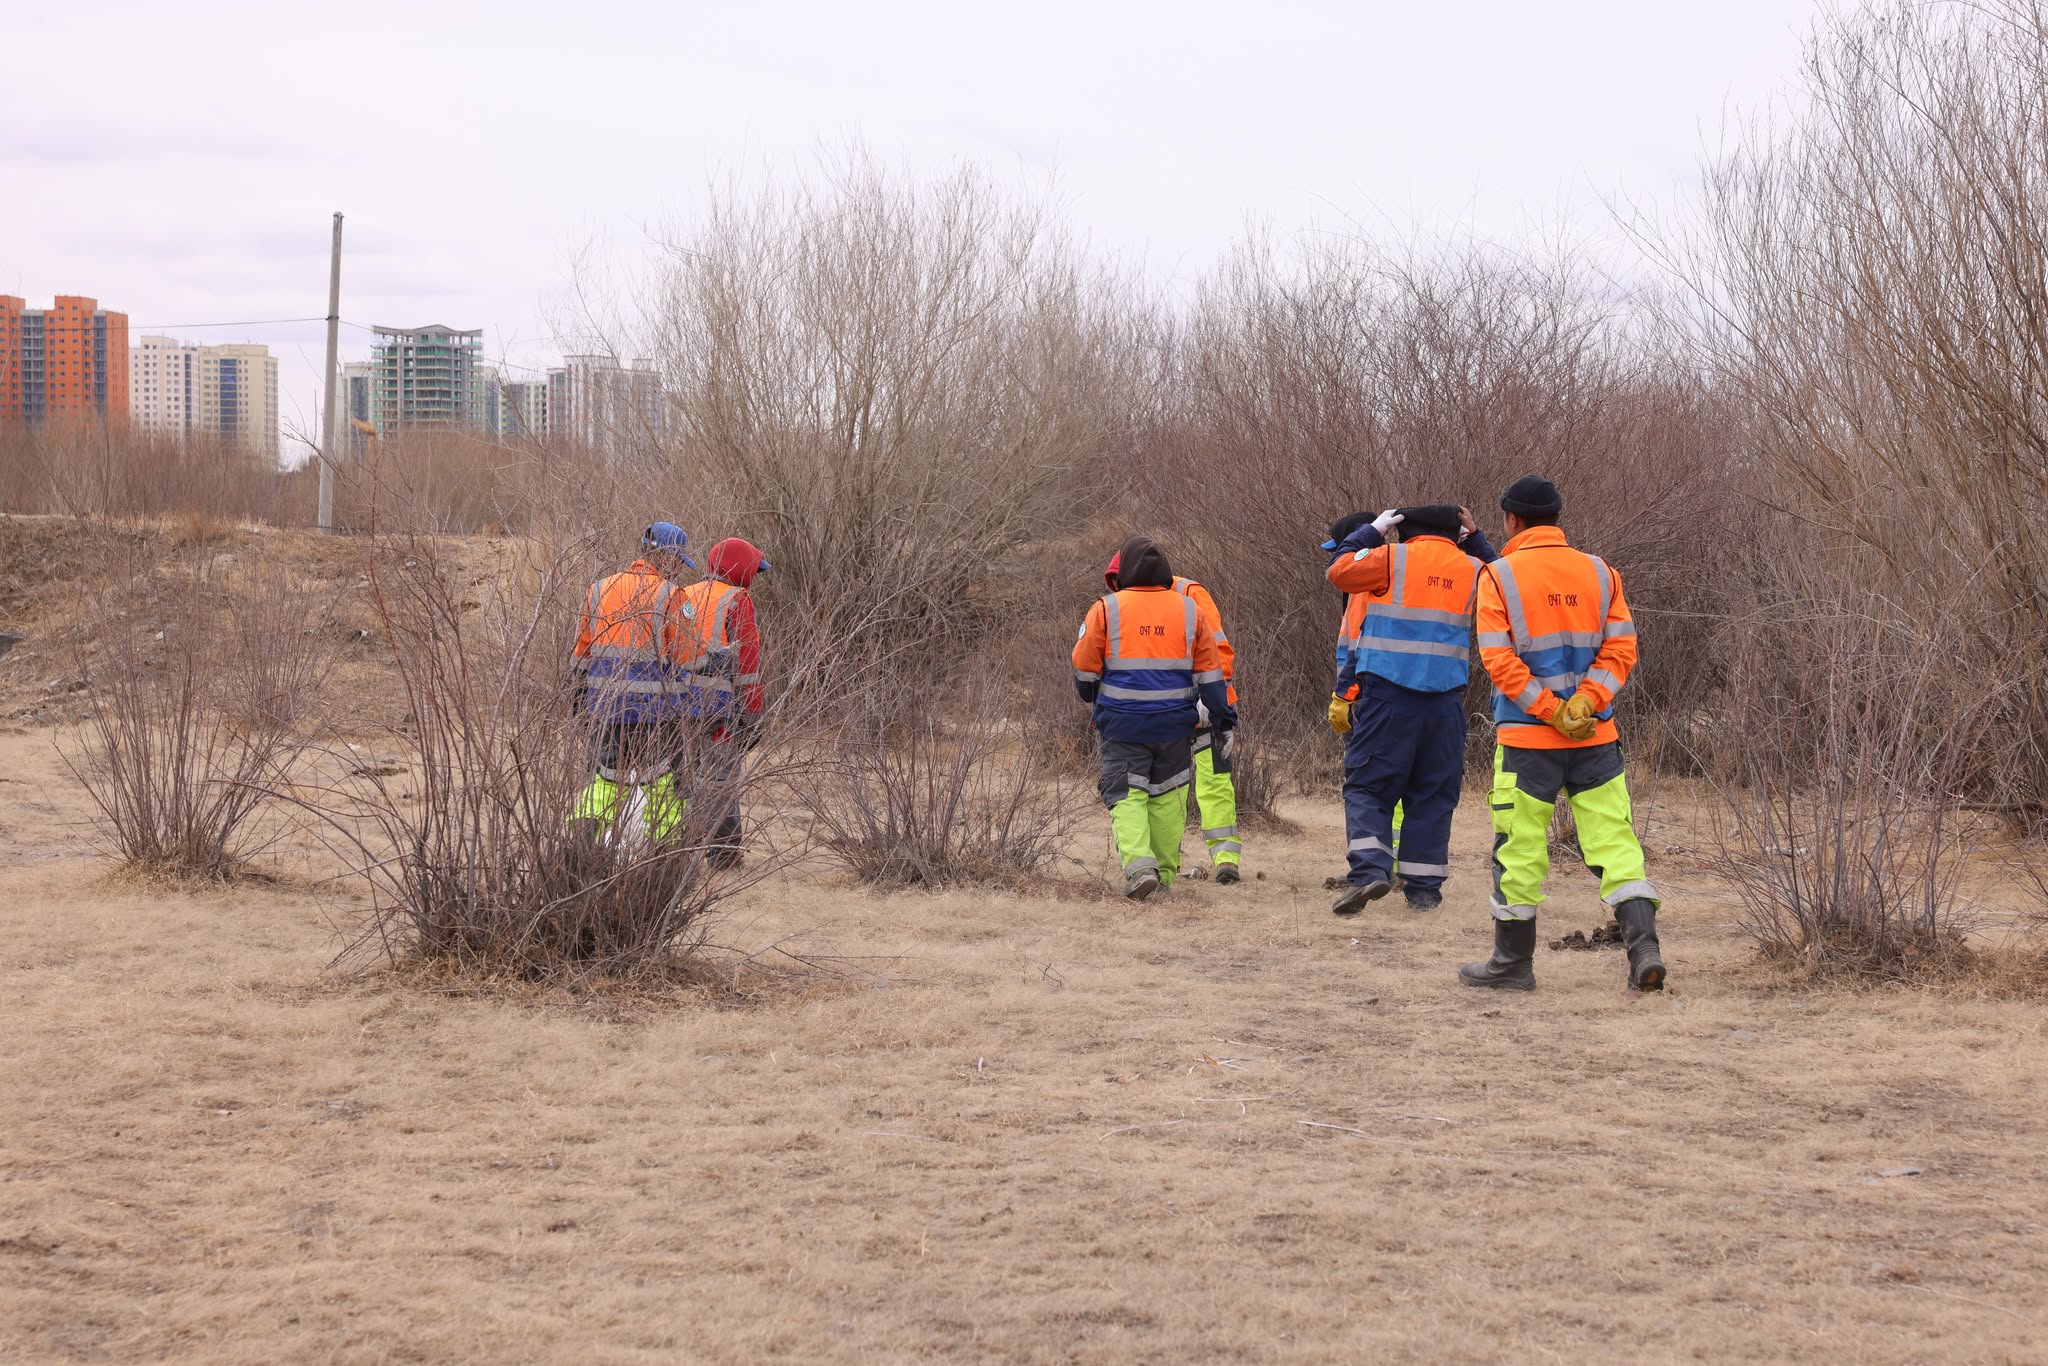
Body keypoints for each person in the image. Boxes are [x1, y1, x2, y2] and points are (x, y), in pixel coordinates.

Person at [1461, 474, 1666, 992]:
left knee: (1519, 848)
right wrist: (1586, 702)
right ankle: (1643, 951)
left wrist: (1549, 711)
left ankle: (1512, 964)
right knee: (1617, 846)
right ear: (1557, 517)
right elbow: (1622, 649)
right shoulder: (1601, 573)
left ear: (1512, 519)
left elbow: (1498, 660)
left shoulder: (1498, 577)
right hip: (1595, 738)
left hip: (1529, 742)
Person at [1324, 504, 1498, 916]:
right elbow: (1512, 582)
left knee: (1368, 786)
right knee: (1433, 794)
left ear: (1402, 529)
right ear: (1454, 533)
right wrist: (1477, 540)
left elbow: (1339, 570)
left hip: (1386, 696)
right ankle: (1423, 891)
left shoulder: (1391, 558)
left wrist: (1369, 531)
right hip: (1444, 702)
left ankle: (1370, 871)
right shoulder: (1472, 567)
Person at [1072, 535, 1235, 900]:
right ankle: (1163, 875)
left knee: (1126, 795)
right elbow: (1211, 674)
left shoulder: (1106, 608)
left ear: (1124, 571)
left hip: (1122, 722)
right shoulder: (1189, 609)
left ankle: (1140, 868)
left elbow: (1084, 668)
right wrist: (1224, 718)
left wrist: (1089, 694)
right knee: (1168, 797)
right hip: (1175, 725)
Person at [1105, 550, 1244, 884]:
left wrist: (1211, 701)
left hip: (1205, 706)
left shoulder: (1190, 594)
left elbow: (1218, 650)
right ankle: (1166, 864)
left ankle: (1225, 860)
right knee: (1170, 788)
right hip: (1170, 712)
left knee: (1212, 781)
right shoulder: (1128, 603)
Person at [568, 522, 697, 844]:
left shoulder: (600, 589)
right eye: (680, 560)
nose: (681, 568)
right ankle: (667, 851)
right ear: (666, 557)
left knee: (606, 780)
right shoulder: (671, 595)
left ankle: (582, 841)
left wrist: (579, 699)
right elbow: (687, 659)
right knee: (662, 783)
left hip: (605, 708)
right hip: (654, 716)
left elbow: (580, 653)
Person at [669, 536, 769, 868]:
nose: (755, 577)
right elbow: (747, 666)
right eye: (754, 569)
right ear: (740, 568)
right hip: (718, 708)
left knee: (682, 778)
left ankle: (675, 850)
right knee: (721, 779)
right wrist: (753, 716)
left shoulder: (685, 594)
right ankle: (723, 854)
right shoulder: (738, 600)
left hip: (677, 707)